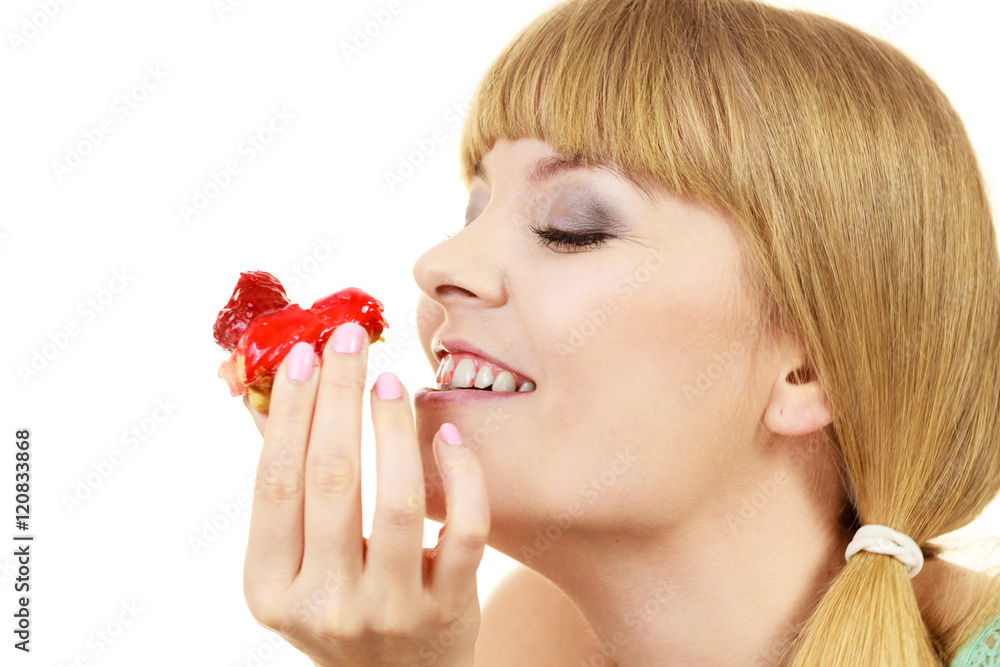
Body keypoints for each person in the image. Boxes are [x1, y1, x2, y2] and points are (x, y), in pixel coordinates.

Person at [239, 0, 1000, 664]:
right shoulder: (524, 638)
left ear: (808, 370)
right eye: (474, 212)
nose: (437, 266)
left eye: (571, 226)